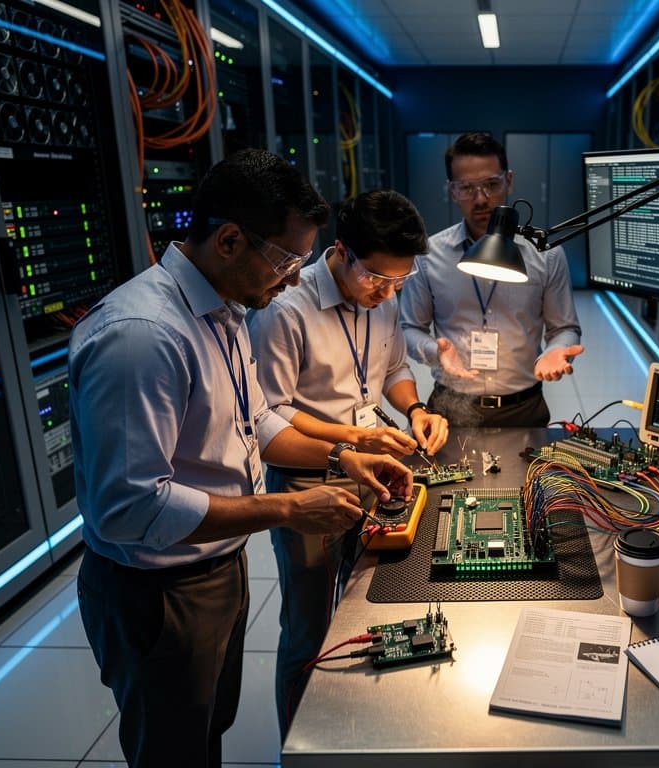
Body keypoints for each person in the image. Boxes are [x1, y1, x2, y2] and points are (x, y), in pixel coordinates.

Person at [69, 149, 412, 768]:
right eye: (285, 261)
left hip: (215, 564)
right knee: (171, 749)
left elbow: (262, 421)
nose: (290, 281)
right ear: (229, 240)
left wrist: (342, 456)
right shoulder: (144, 336)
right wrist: (284, 507)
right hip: (157, 587)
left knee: (207, 731)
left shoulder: (223, 312)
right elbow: (131, 507)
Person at [248, 188, 449, 738]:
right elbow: (270, 417)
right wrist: (354, 441)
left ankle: (353, 731)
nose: (386, 293)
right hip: (309, 475)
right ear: (340, 251)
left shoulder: (380, 297)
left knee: (365, 607)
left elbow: (392, 368)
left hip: (370, 463)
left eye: (398, 283)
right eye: (376, 279)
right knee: (309, 628)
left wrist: (413, 410)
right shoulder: (287, 310)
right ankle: (297, 742)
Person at [399, 131, 584, 427]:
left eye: (491, 185)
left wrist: (555, 351)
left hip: (523, 408)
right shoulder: (429, 255)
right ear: (451, 190)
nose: (481, 199)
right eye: (467, 188)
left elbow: (565, 328)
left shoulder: (545, 255)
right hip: (450, 408)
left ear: (508, 181)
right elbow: (409, 329)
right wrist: (437, 352)